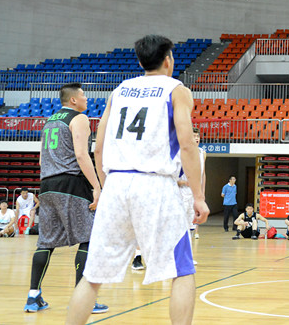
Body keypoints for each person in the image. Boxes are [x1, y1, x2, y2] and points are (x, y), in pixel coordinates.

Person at [66, 35, 209, 325]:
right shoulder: (177, 89)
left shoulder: (119, 90)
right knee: (182, 270)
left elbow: (98, 148)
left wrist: (103, 187)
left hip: (116, 183)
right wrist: (198, 196)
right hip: (154, 184)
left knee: (92, 276)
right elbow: (187, 144)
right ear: (168, 60)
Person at [23, 83, 106, 314]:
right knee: (89, 237)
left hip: (47, 185)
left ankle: (33, 296)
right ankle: (83, 300)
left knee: (45, 242)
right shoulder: (79, 118)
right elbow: (81, 154)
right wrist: (97, 186)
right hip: (71, 183)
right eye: (83, 95)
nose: (86, 99)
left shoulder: (49, 121)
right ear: (73, 100)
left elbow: (42, 161)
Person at [177, 127, 206, 243]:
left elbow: (203, 174)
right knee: (180, 224)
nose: (196, 138)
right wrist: (185, 182)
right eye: (194, 136)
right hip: (182, 192)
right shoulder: (181, 153)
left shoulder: (202, 153)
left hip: (195, 194)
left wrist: (202, 193)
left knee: (191, 225)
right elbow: (173, 179)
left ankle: (187, 252)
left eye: (198, 136)